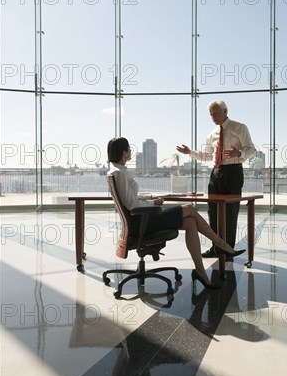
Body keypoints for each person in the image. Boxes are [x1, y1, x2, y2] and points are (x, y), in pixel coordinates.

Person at [107, 137, 245, 290]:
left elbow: (131, 198)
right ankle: (222, 245)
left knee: (190, 222)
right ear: (124, 152)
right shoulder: (119, 173)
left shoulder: (117, 171)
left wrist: (151, 197)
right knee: (189, 209)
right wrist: (153, 203)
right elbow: (132, 204)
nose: (131, 151)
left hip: (140, 221)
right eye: (129, 149)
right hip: (139, 224)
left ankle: (200, 272)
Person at [176, 100, 256, 259]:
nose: (213, 117)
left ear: (225, 111)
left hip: (233, 172)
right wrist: (190, 152)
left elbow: (251, 150)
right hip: (216, 172)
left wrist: (239, 154)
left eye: (215, 113)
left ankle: (228, 250)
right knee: (213, 211)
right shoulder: (212, 134)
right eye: (211, 114)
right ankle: (216, 247)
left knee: (230, 212)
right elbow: (207, 156)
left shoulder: (239, 127)